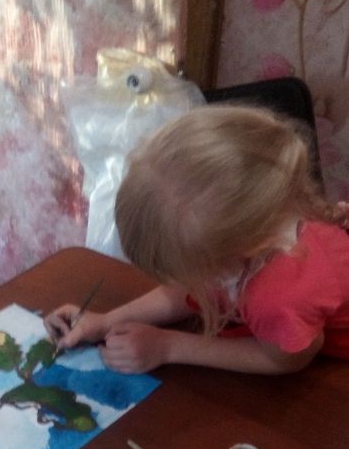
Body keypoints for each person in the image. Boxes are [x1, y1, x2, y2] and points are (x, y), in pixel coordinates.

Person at [45, 104, 349, 375]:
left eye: (187, 271)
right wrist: (104, 322)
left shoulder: (277, 298)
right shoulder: (259, 215)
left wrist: (168, 346)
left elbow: (285, 360)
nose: (183, 282)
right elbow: (193, 288)